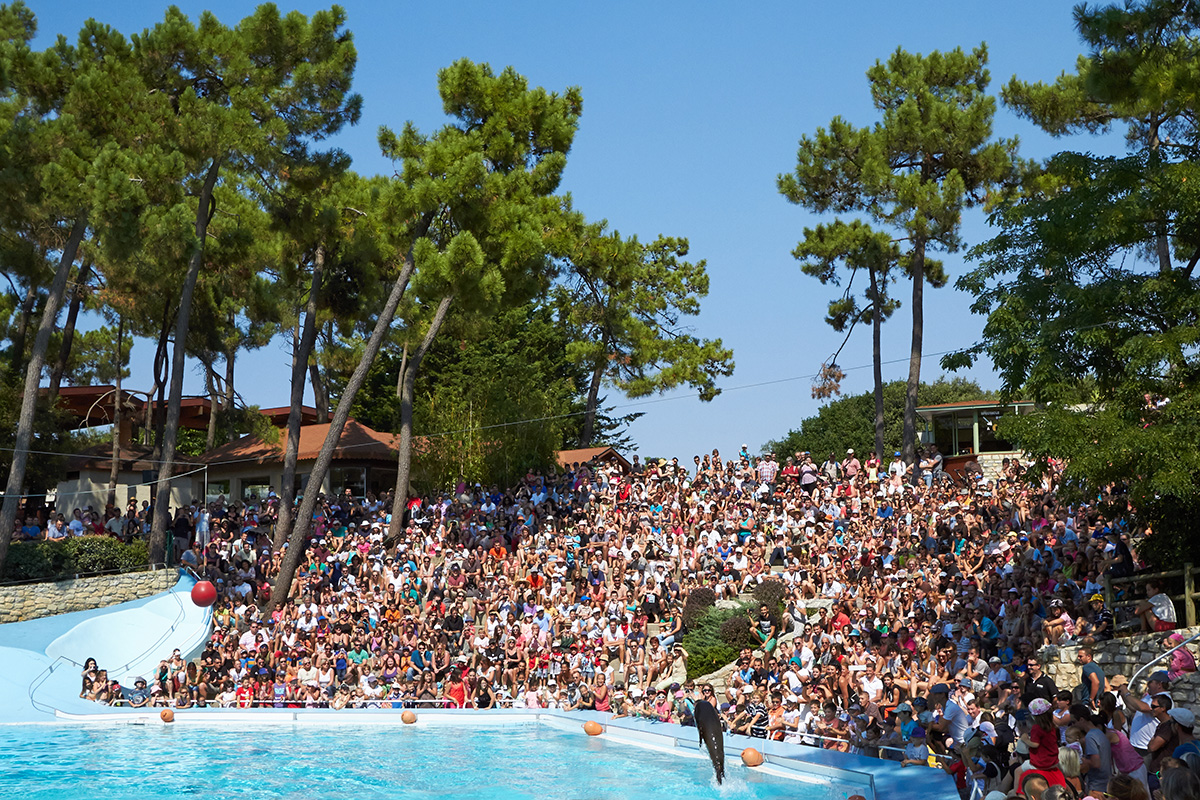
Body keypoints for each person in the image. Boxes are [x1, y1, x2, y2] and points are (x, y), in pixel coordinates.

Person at [1071, 703, 1113, 798]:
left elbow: (1096, 763)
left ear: (1081, 720)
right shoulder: (1099, 733)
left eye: (1074, 722)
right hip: (1105, 783)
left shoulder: (1090, 737)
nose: (1073, 725)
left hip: (1097, 787)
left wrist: (1083, 761)